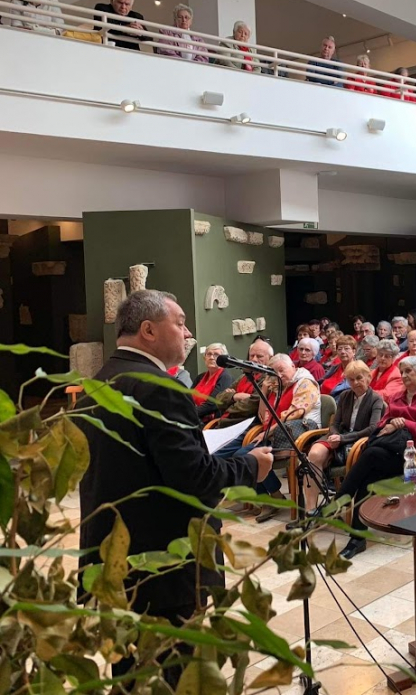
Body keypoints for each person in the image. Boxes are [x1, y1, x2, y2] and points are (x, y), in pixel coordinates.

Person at [77, 291, 272, 685]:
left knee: (133, 676)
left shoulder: (96, 384)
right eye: (180, 322)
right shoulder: (161, 389)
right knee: (176, 677)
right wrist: (251, 465)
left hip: (114, 562)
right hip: (166, 569)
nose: (188, 332)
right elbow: (196, 479)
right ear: (149, 330)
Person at [339, 356, 416, 558]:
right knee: (368, 478)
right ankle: (357, 538)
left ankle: (342, 499)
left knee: (371, 456)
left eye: (408, 371)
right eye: (402, 371)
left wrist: (404, 422)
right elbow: (382, 423)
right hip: (392, 450)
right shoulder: (397, 396)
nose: (403, 376)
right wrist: (388, 425)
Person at [302, 361, 386, 515]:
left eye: (359, 378)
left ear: (368, 377)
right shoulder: (345, 396)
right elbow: (335, 423)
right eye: (351, 379)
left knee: (329, 456)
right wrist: (335, 435)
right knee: (314, 454)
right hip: (339, 436)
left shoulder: (376, 399)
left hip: (358, 441)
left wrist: (342, 439)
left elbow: (372, 429)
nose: (355, 383)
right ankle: (311, 510)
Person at [214, 337, 273, 422]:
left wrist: (229, 406)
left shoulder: (269, 379)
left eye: (259, 356)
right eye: (252, 355)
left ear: (270, 358)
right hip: (226, 422)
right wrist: (235, 396)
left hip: (247, 424)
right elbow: (218, 399)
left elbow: (252, 406)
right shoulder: (243, 377)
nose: (254, 359)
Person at [191, 343, 234, 421]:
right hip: (194, 416)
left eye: (216, 355)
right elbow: (188, 397)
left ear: (222, 360)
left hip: (211, 421)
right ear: (205, 358)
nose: (211, 357)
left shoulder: (225, 377)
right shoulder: (200, 377)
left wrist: (189, 413)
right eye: (209, 354)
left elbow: (212, 405)